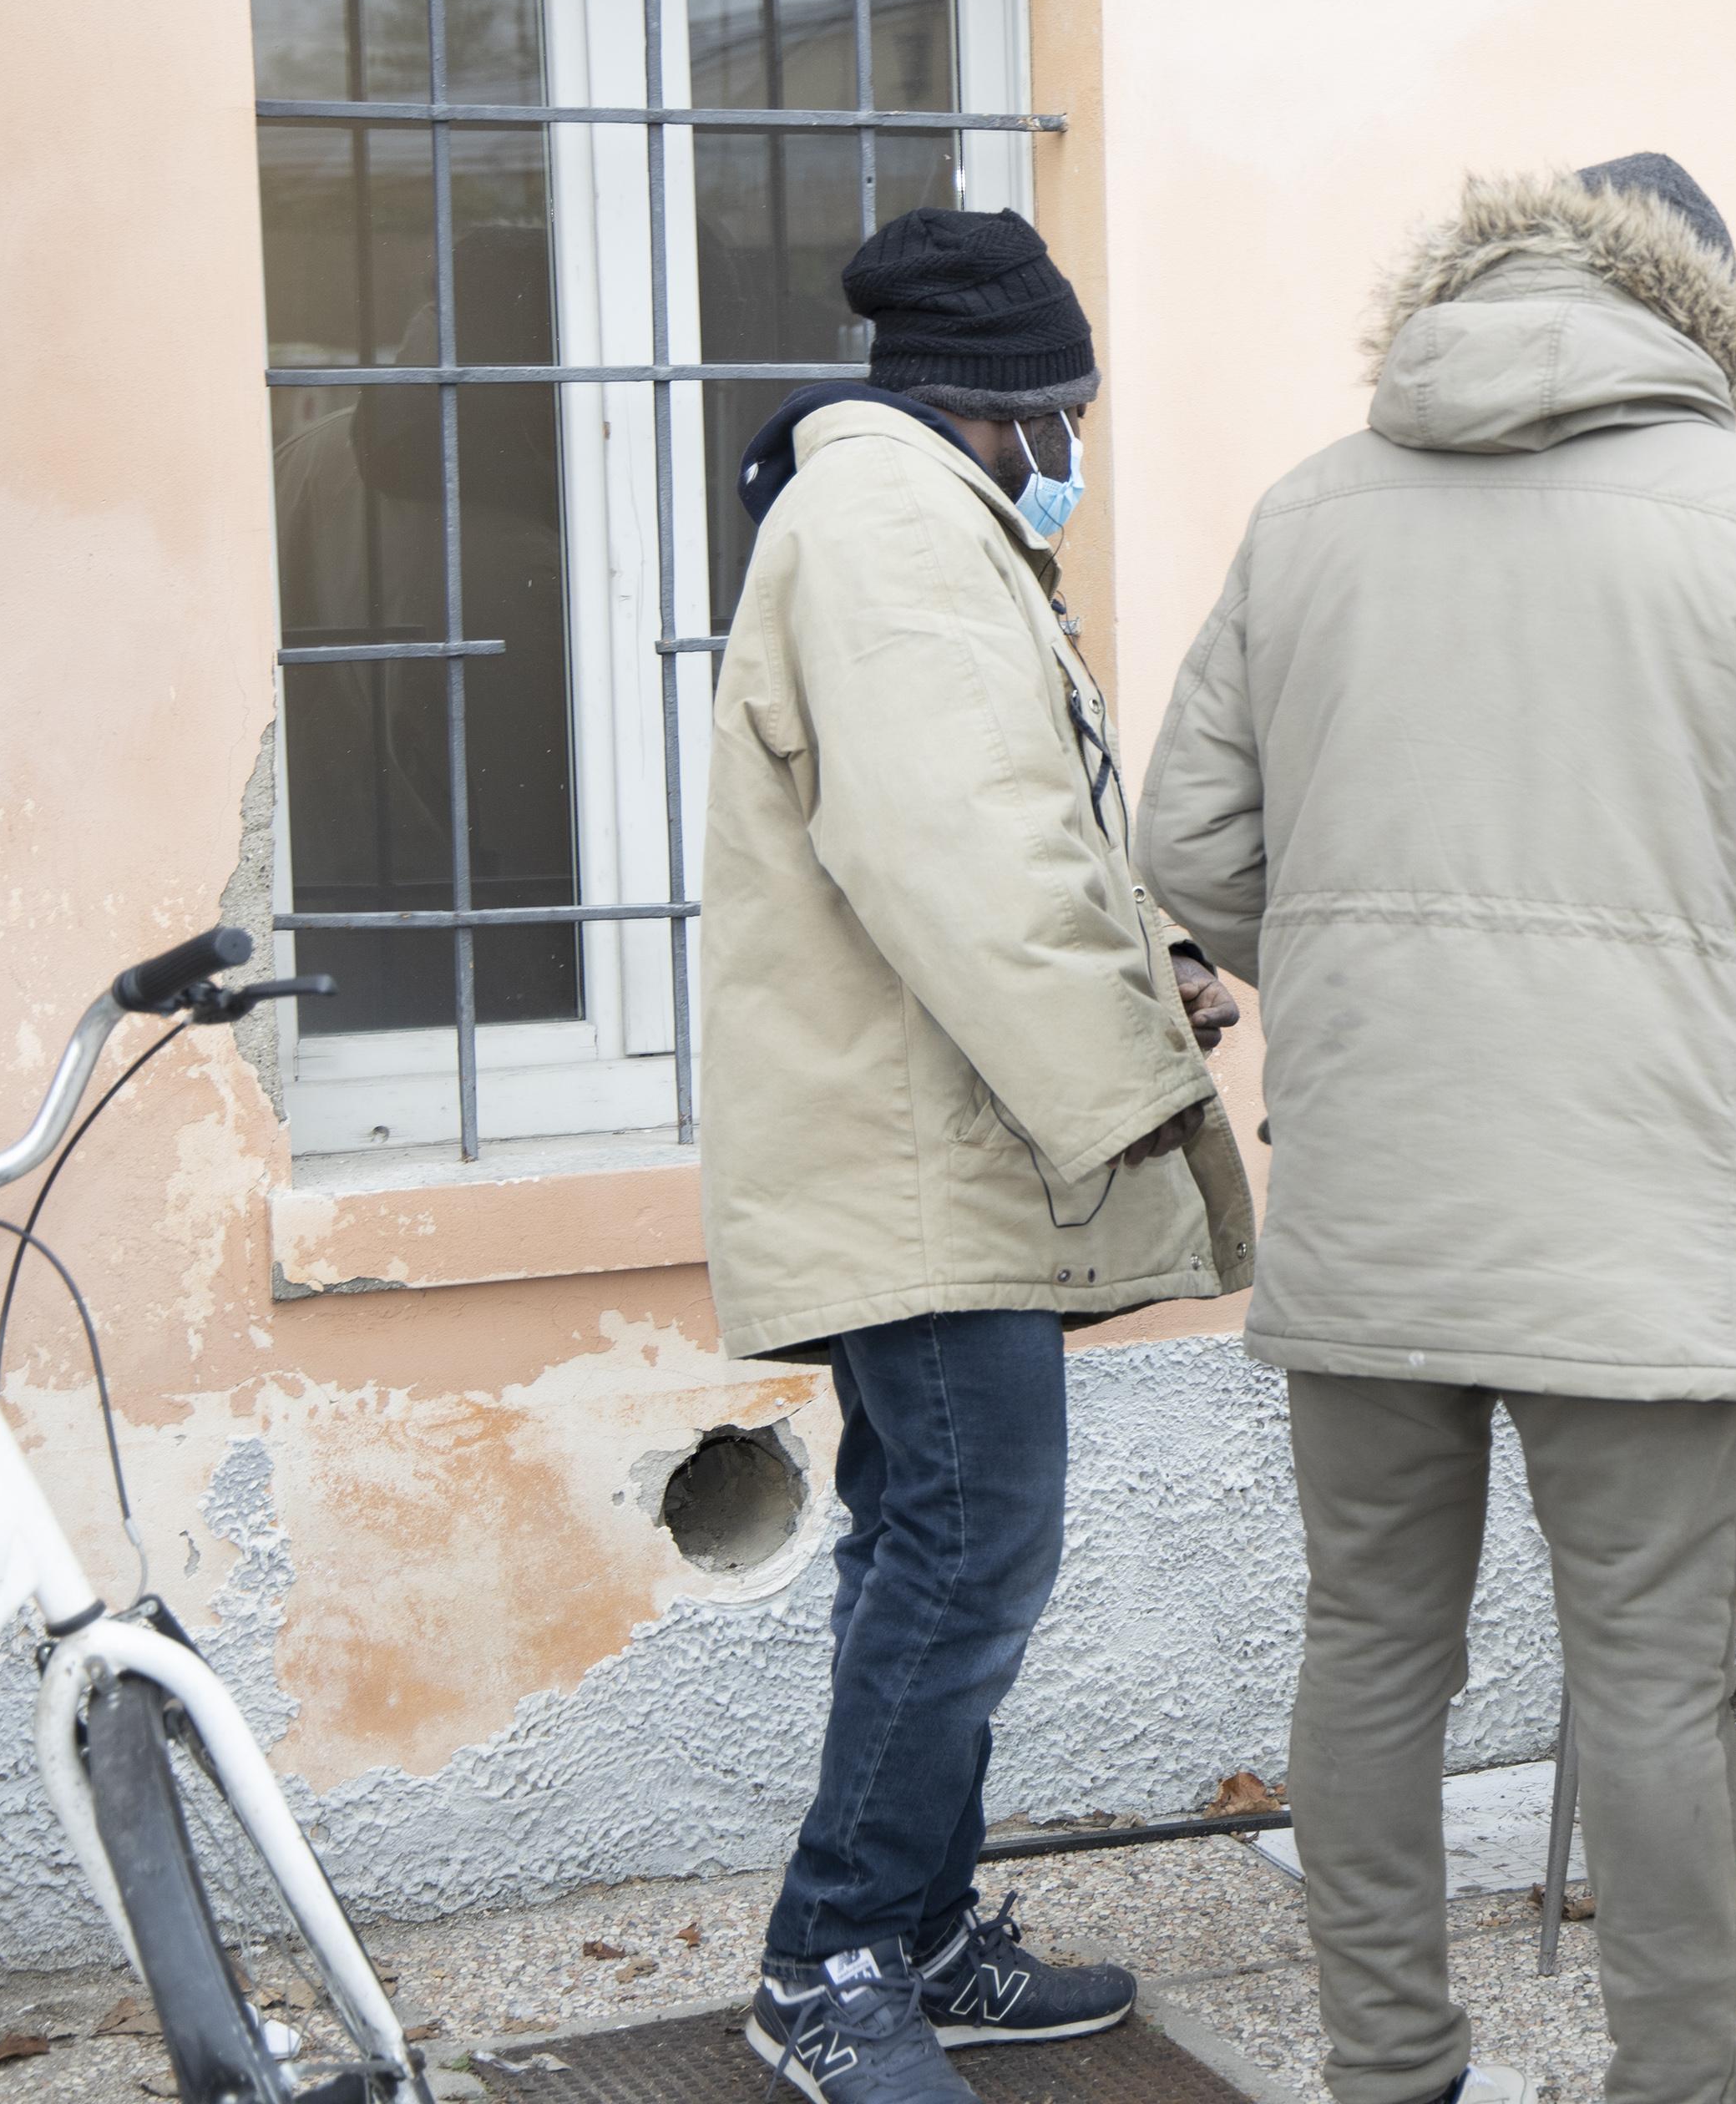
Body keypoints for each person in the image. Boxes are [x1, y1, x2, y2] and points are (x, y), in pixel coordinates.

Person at [1139, 156, 1736, 2104]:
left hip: (1374, 1172)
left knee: (1372, 1646)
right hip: (1636, 1179)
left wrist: (1354, 954)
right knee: (1652, 1683)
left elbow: (1191, 845)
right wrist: (1679, 945)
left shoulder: (1311, 507)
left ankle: (1389, 2072)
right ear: (1704, 317)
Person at [702, 205, 1258, 2104]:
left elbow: (1028, 827)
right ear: (1005, 407)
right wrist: (1128, 1084)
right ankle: (828, 1953)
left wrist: (1154, 960)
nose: (1078, 451)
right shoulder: (891, 535)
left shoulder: (914, 525)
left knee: (923, 1540)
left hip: (935, 1130)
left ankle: (921, 1928)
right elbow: (967, 864)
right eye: (1071, 415)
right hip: (923, 1151)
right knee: (971, 1546)